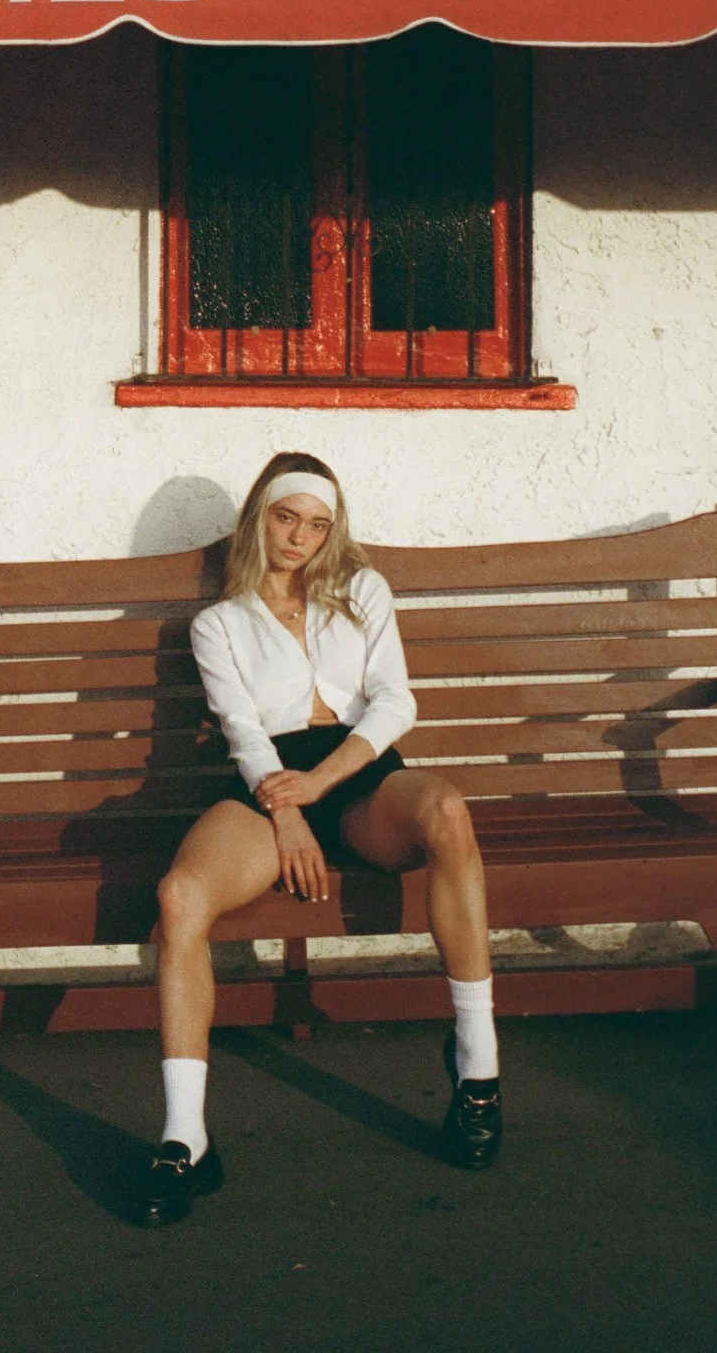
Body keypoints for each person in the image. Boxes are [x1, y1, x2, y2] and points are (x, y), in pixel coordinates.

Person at [142, 452, 502, 1224]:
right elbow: (242, 731)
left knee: (446, 812)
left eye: (317, 523)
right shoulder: (219, 624)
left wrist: (322, 784)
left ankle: (477, 1068)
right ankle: (185, 1139)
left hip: (361, 773)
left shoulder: (362, 591)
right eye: (285, 516)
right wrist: (288, 808)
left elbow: (394, 703)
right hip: (268, 787)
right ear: (257, 518)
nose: (300, 535)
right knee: (180, 896)